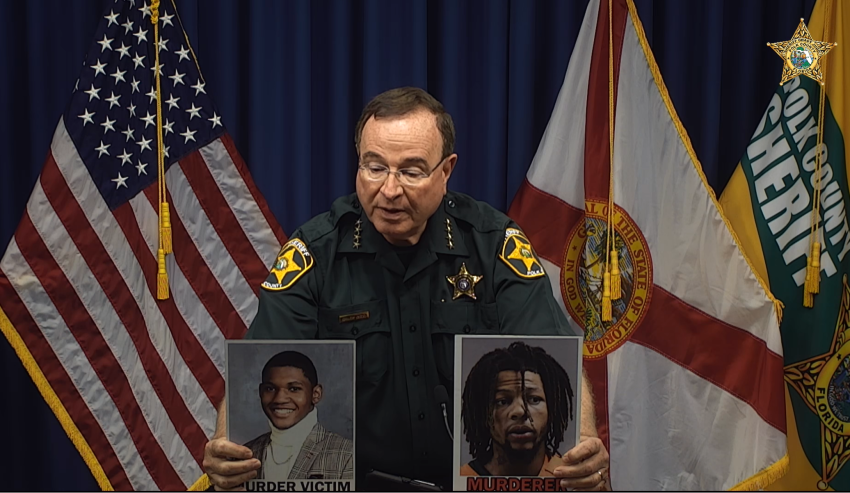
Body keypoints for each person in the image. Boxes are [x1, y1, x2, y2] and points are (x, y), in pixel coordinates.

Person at [203, 87, 609, 491]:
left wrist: (582, 446)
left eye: (411, 171)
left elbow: (552, 359)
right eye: (374, 167)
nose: (390, 190)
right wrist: (227, 447)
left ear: (446, 171)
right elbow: (259, 370)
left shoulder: (495, 245)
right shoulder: (314, 254)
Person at [459, 342, 573, 478]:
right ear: (482, 412)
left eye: (534, 399)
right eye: (503, 401)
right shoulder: (462, 479)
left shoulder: (573, 477)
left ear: (553, 408)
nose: (519, 411)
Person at [242, 351, 353, 481]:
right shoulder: (246, 454)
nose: (279, 399)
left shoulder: (347, 455)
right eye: (270, 389)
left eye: (294, 389)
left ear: (315, 394)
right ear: (261, 392)